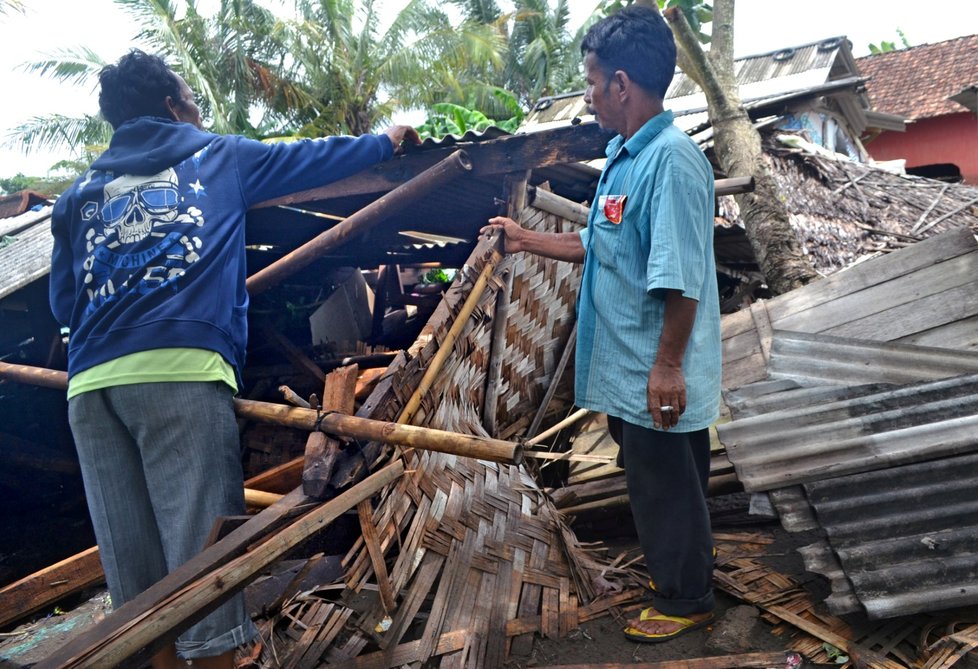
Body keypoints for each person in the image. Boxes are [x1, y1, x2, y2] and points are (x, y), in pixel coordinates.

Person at [49, 49, 420, 668]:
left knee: (135, 575)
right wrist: (384, 141)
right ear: (172, 106)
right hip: (180, 374)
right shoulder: (216, 156)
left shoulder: (79, 197)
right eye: (189, 97)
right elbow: (311, 157)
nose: (197, 106)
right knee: (204, 571)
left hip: (90, 387)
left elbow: (66, 300)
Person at [484, 5, 720, 644]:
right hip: (631, 367)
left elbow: (681, 277)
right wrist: (527, 240)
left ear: (621, 84)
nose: (586, 97)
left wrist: (667, 367)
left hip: (653, 370)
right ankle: (684, 579)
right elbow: (601, 242)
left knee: (665, 486)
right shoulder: (626, 156)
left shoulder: (670, 161)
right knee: (665, 481)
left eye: (590, 82)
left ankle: (685, 601)